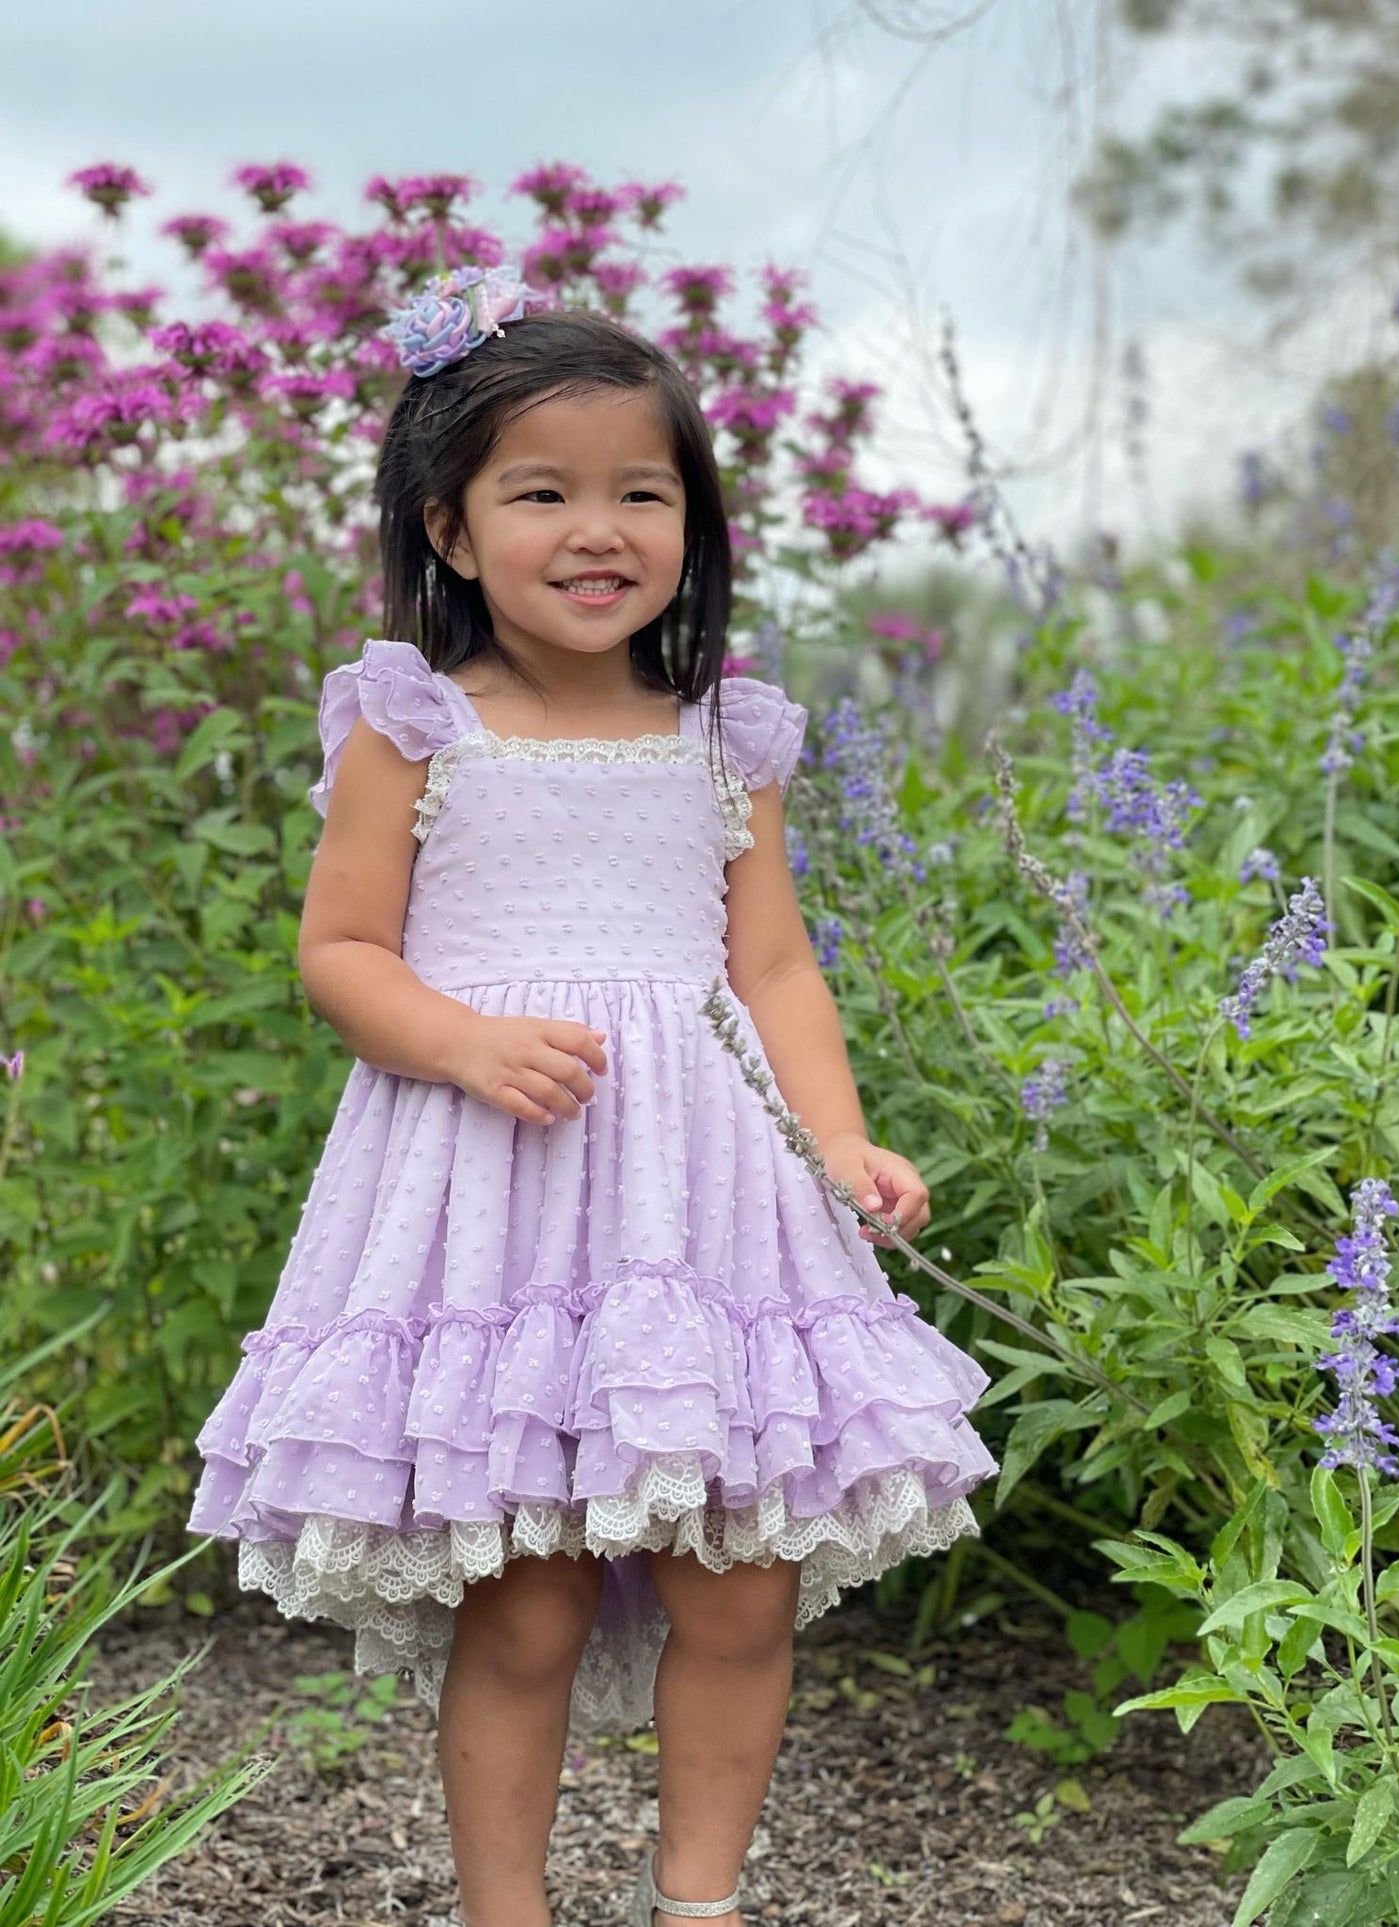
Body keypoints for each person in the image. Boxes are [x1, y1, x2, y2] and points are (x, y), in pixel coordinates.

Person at [186, 264, 999, 1927]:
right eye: (541, 491)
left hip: (706, 1197)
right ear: (451, 528)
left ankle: (696, 1902)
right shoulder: (416, 725)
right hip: (494, 1186)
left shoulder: (720, 738)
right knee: (532, 1601)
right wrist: (457, 1036)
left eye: (642, 491)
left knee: (739, 1584)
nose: (597, 528)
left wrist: (838, 1138)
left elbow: (771, 967)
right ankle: (510, 1914)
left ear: (691, 524)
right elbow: (339, 950)